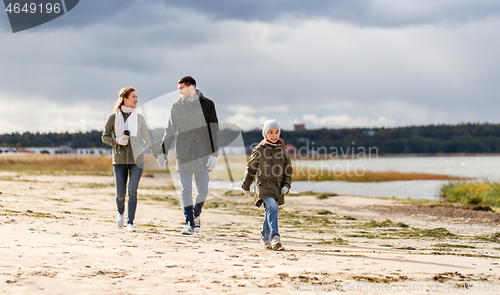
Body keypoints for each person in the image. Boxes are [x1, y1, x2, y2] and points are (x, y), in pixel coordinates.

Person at [158, 76, 219, 235]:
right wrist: (163, 151)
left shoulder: (208, 105)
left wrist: (214, 154)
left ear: (191, 88)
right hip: (183, 153)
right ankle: (190, 223)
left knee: (203, 190)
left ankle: (196, 214)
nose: (179, 92)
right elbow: (170, 130)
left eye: (182, 89)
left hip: (202, 154)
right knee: (185, 189)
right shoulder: (176, 106)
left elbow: (214, 131)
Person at [102, 87, 161, 232]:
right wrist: (117, 140)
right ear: (125, 99)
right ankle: (120, 212)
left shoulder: (139, 118)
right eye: (133, 96)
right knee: (120, 194)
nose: (136, 99)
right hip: (119, 160)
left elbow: (148, 139)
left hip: (137, 160)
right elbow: (104, 137)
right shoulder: (113, 118)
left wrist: (158, 154)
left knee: (133, 191)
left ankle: (130, 222)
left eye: (137, 97)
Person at [242, 119, 293, 250]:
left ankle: (264, 237)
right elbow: (251, 169)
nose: (274, 135)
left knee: (270, 211)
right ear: (265, 134)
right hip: (263, 186)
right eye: (271, 132)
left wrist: (286, 185)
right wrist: (246, 186)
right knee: (272, 207)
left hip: (277, 188)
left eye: (277, 132)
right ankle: (275, 237)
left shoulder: (284, 152)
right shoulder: (259, 150)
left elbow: (288, 171)